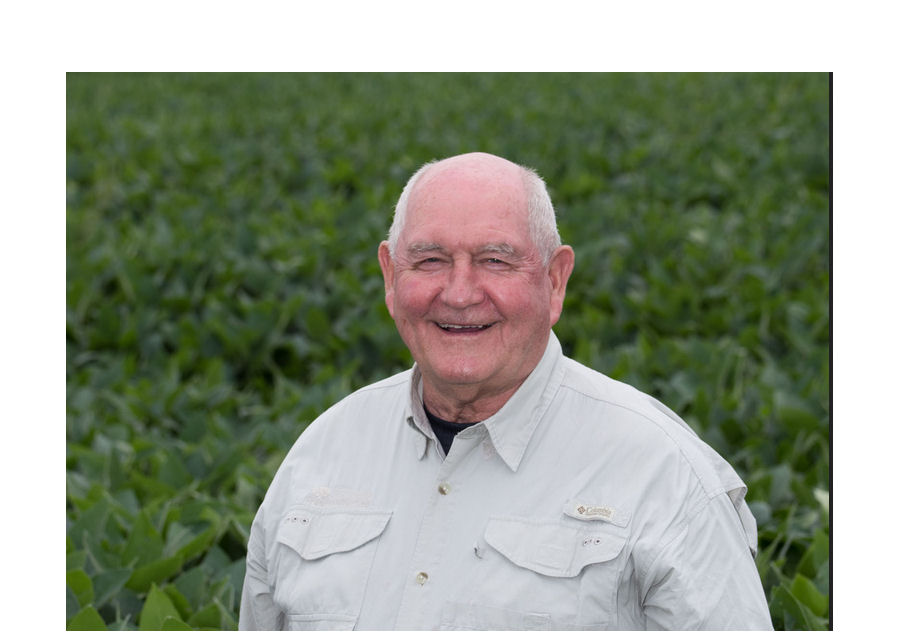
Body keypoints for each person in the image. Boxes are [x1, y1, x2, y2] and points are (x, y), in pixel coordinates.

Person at [238, 152, 773, 630]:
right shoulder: (319, 456)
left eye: (495, 260)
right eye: (430, 260)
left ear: (555, 280)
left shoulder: (666, 475)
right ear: (390, 276)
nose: (460, 293)